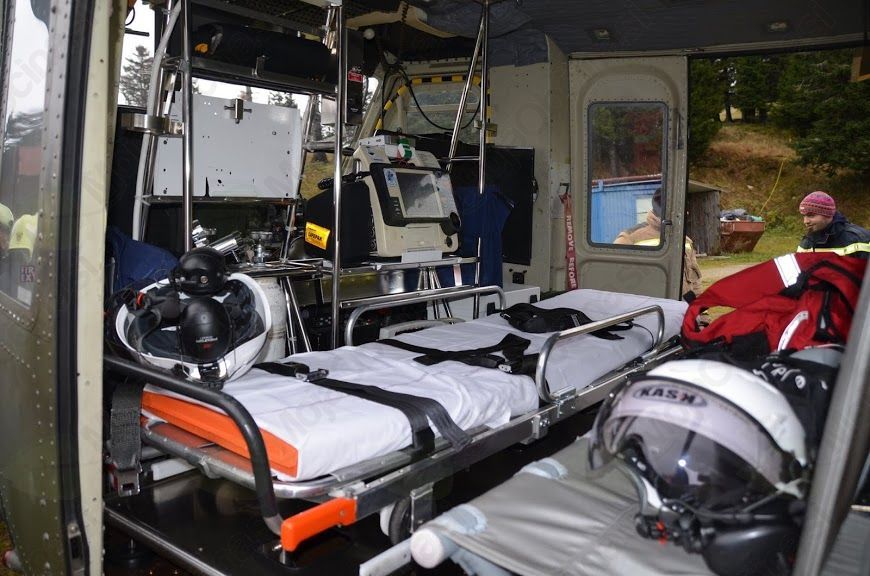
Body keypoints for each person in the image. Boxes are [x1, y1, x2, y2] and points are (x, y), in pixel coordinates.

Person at [613, 188, 702, 299]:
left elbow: (694, 281)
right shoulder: (629, 238)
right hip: (649, 308)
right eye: (682, 208)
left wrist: (699, 307)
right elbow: (615, 280)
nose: (687, 213)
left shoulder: (686, 240)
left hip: (682, 308)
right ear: (667, 209)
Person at [797, 191, 869, 257]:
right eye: (804, 216)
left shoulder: (861, 239)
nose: (805, 221)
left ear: (828, 214)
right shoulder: (806, 242)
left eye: (811, 215)